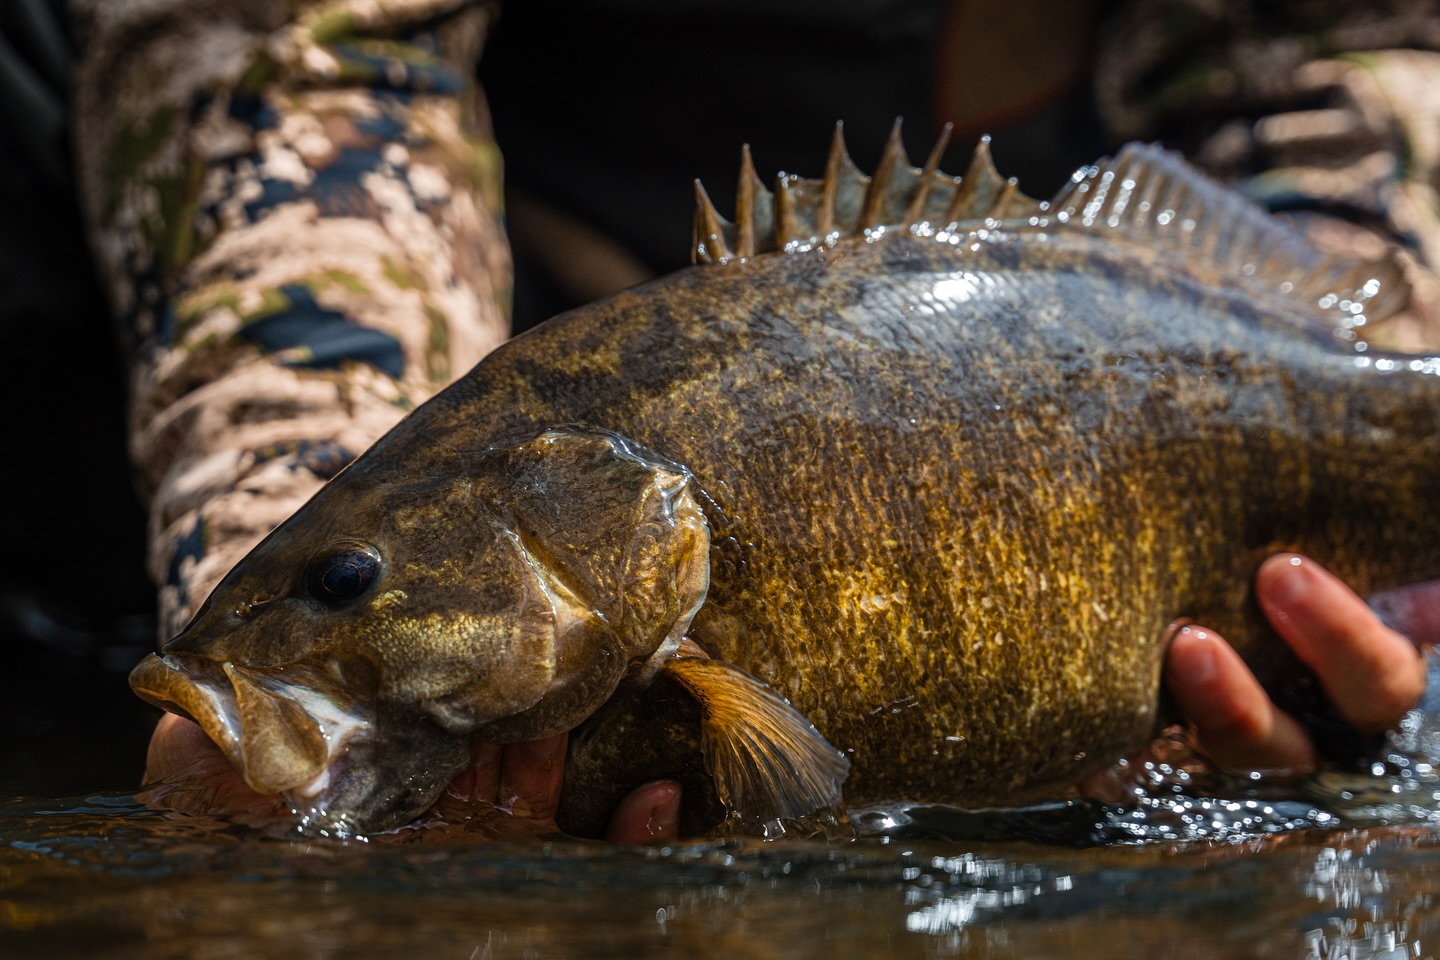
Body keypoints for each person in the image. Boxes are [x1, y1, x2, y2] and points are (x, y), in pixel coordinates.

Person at [22, 0, 1440, 839]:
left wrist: (1363, 394)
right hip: (481, 286)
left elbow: (1333, 51)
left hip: (1070, 303)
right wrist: (282, 514)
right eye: (349, 585)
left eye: (348, 586)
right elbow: (309, 58)